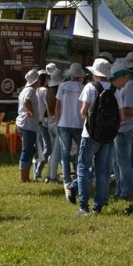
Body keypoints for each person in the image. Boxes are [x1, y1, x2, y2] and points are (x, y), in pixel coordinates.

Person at [74, 58, 117, 215]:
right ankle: (98, 206)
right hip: (107, 136)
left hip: (90, 134)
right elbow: (121, 116)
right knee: (102, 171)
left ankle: (83, 206)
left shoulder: (90, 87)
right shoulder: (114, 89)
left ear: (95, 74)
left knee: (83, 168)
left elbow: (83, 112)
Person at [114, 57, 133, 201]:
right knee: (118, 162)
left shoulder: (130, 85)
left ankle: (126, 192)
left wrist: (115, 111)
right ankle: (120, 189)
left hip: (126, 128)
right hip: (122, 128)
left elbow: (130, 110)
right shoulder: (126, 86)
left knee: (123, 162)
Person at [57, 63, 86, 192]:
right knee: (81, 152)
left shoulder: (62, 86)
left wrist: (58, 121)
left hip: (63, 123)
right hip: (78, 123)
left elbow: (58, 105)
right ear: (80, 76)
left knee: (65, 153)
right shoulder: (83, 87)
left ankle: (66, 179)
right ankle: (79, 176)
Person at [16, 68, 41, 183]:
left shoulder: (25, 89)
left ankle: (25, 176)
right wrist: (31, 111)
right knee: (27, 150)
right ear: (36, 81)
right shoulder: (31, 91)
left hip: (23, 124)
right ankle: (23, 178)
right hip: (28, 125)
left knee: (28, 149)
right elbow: (27, 101)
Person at [44, 69, 64, 183]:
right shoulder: (59, 94)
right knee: (56, 154)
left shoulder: (48, 93)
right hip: (57, 123)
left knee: (53, 152)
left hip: (50, 124)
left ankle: (49, 175)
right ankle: (52, 178)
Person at [34, 71, 52, 181]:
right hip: (44, 122)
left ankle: (36, 171)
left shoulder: (35, 90)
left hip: (36, 122)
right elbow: (48, 105)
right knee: (48, 148)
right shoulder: (44, 90)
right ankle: (38, 170)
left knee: (39, 148)